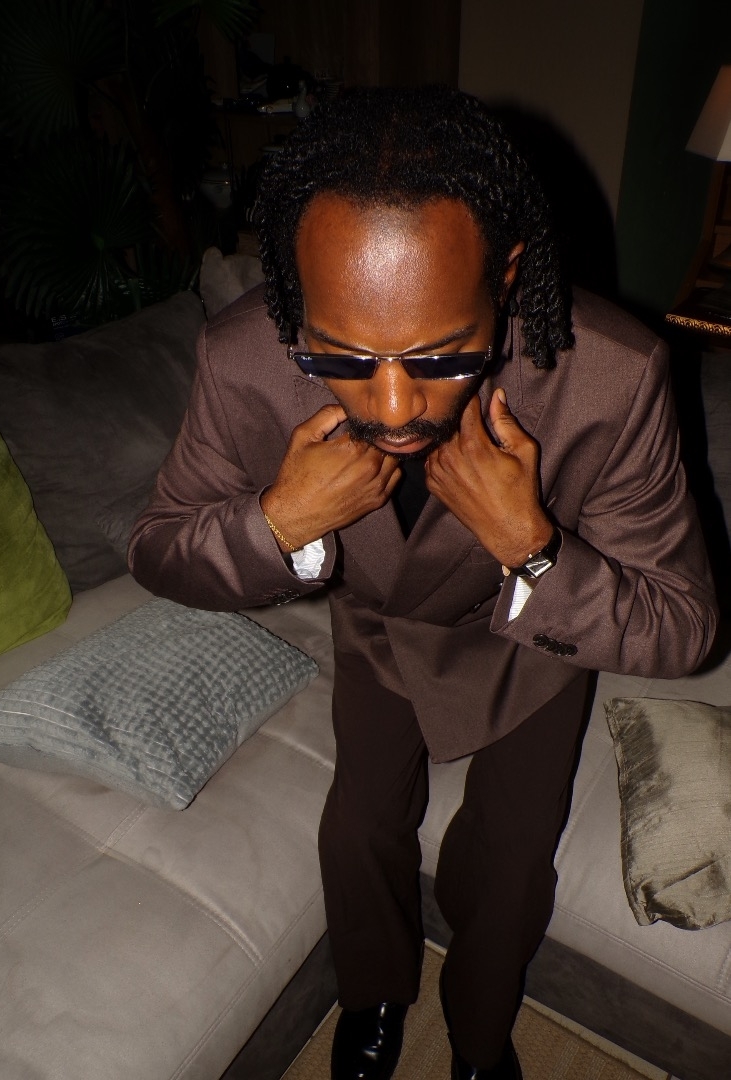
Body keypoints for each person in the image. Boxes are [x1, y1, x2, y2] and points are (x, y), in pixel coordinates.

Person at [128, 86, 717, 1080]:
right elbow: (157, 550)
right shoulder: (240, 361)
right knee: (357, 826)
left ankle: (479, 1037)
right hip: (379, 631)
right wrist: (279, 523)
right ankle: (372, 996)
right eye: (343, 356)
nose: (396, 406)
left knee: (513, 857)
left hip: (531, 649)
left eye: (440, 357)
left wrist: (532, 547)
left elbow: (684, 627)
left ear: (507, 275)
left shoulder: (614, 377)